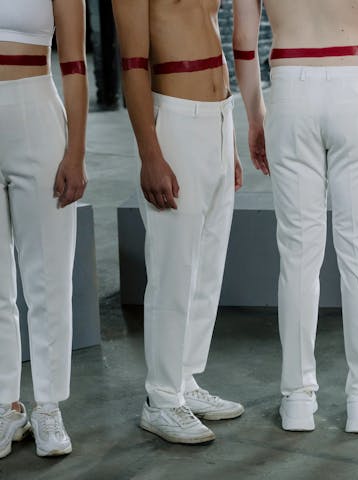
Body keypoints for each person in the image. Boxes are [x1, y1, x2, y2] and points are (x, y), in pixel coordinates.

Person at [232, 0, 358, 434]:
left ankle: (296, 397)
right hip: (357, 88)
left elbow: (242, 44)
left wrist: (256, 119)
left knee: (297, 254)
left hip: (290, 89)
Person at [114, 0, 245, 445]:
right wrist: (150, 154)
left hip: (220, 115)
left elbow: (207, 28)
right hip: (175, 121)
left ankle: (185, 380)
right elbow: (132, 63)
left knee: (208, 266)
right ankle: (161, 399)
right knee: (173, 270)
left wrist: (228, 140)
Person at [0, 0, 87, 458]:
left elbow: (74, 65)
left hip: (35, 109)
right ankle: (3, 405)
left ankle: (48, 405)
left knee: (48, 278)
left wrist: (75, 152)